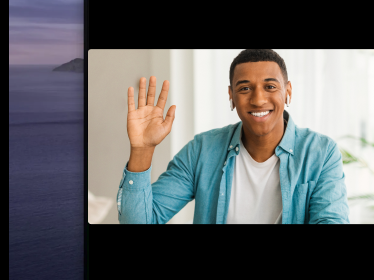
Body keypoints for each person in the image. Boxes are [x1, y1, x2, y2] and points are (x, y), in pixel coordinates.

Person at [118, 49, 350, 224]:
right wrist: (142, 150)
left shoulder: (321, 153)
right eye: (245, 88)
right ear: (231, 95)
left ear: (287, 91)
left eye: (270, 87)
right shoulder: (201, 150)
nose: (258, 100)